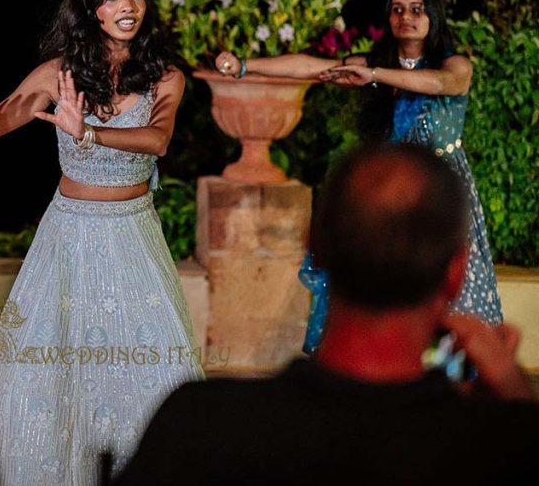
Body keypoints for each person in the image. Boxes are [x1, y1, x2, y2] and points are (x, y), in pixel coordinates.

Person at [0, 0, 202, 484]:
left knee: (145, 366)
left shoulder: (166, 77)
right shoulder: (58, 73)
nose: (127, 6)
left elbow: (157, 139)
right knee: (52, 367)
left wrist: (88, 132)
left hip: (132, 234)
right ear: (91, 8)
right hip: (67, 234)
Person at [114, 143, 539, 484]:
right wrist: (517, 401)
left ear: (314, 246)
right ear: (456, 273)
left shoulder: (201, 426)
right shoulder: (497, 447)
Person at [214, 0, 502, 352]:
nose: (406, 17)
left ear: (434, 15)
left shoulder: (454, 63)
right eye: (397, 9)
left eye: (417, 9)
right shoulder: (375, 64)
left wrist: (377, 76)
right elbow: (312, 67)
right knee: (379, 283)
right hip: (388, 194)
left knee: (440, 286)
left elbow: (441, 83)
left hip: (438, 195)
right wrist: (242, 66)